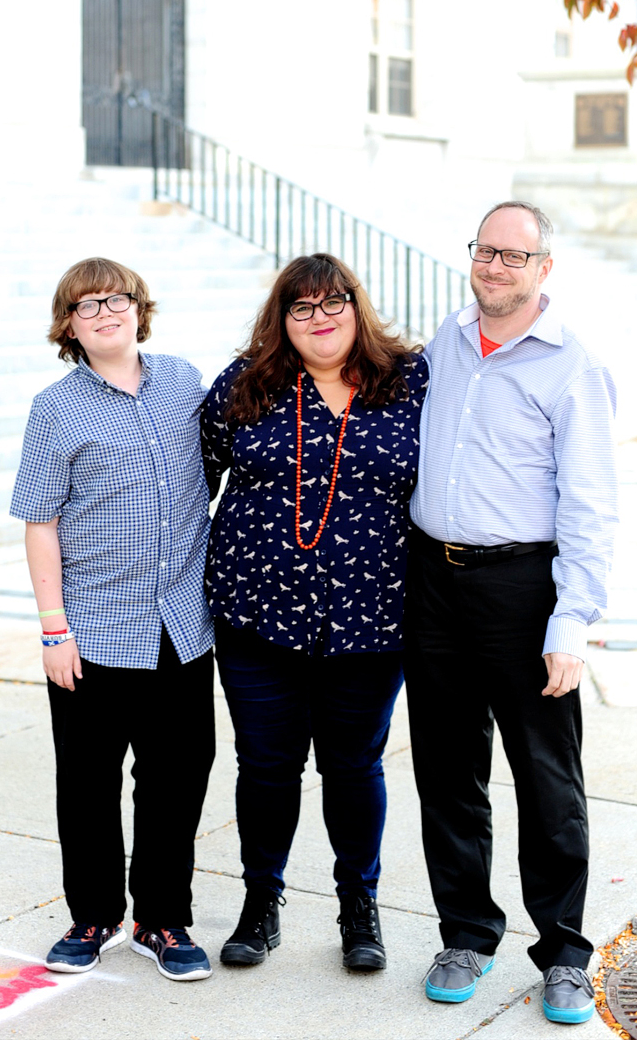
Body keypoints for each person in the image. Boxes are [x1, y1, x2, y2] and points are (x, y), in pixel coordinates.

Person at [406, 201, 618, 1025]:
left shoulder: (573, 367)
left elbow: (591, 506)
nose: (494, 266)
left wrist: (570, 623)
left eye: (513, 255)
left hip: (522, 592)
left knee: (546, 777)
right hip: (433, 583)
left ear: (543, 269)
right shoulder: (446, 343)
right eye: (484, 251)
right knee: (448, 770)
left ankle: (563, 950)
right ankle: (466, 931)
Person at [201, 253, 428, 973]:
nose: (320, 317)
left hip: (371, 622)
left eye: (334, 302)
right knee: (265, 766)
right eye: (302, 307)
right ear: (283, 320)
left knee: (353, 767)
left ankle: (358, 907)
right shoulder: (245, 386)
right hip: (255, 619)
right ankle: (260, 904)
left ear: (357, 308)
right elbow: (195, 480)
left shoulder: (410, 383)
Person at [9, 257, 216, 983]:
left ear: (139, 307)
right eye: (85, 304)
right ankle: (93, 914)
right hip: (92, 634)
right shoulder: (55, 408)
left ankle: (161, 919)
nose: (104, 311)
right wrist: (52, 628)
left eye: (116, 298)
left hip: (183, 628)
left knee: (177, 779)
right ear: (68, 325)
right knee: (89, 783)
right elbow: (39, 521)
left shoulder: (186, 383)